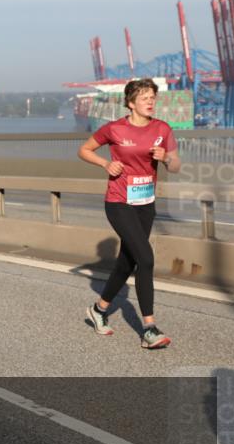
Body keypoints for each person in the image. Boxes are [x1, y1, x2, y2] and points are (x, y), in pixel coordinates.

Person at [77, 77, 180, 349]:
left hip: (146, 203)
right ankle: (149, 328)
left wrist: (165, 158)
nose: (151, 102)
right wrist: (105, 164)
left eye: (153, 97)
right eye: (145, 97)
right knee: (145, 258)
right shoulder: (114, 129)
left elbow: (176, 164)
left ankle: (98, 310)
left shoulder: (162, 129)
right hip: (119, 201)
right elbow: (84, 150)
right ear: (131, 102)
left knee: (127, 262)